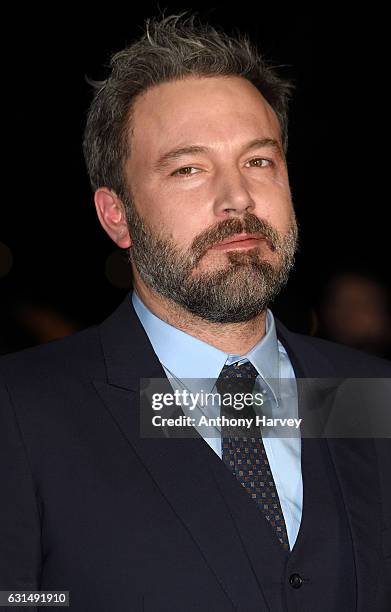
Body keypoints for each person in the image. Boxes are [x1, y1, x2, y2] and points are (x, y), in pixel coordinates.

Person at [1, 13, 390, 612]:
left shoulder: (368, 396)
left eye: (259, 161)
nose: (237, 198)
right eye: (189, 168)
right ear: (117, 215)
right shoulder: (21, 412)